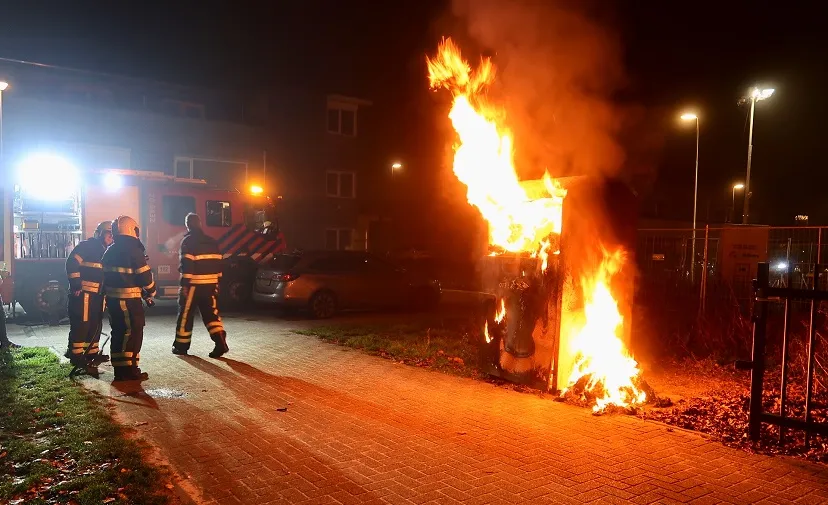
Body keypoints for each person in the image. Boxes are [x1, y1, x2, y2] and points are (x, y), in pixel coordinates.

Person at [102, 215, 156, 382]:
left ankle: (120, 369)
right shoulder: (134, 250)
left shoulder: (110, 250)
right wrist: (151, 291)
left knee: (118, 332)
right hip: (129, 301)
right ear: (131, 229)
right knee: (132, 333)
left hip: (113, 300)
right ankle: (130, 370)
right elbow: (145, 277)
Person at [172, 213, 228, 358]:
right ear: (200, 223)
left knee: (185, 315)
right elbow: (219, 263)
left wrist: (184, 285)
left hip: (194, 285)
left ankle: (181, 346)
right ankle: (220, 342)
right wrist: (217, 282)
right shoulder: (212, 241)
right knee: (211, 314)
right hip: (210, 284)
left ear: (187, 225)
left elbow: (187, 265)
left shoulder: (188, 241)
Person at [64, 221, 113, 375]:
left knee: (95, 322)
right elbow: (71, 262)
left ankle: (91, 352)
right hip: (83, 293)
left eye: (112, 234)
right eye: (107, 233)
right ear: (99, 234)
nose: (111, 237)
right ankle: (76, 354)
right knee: (82, 322)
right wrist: (76, 284)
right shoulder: (87, 246)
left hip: (99, 295)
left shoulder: (108, 251)